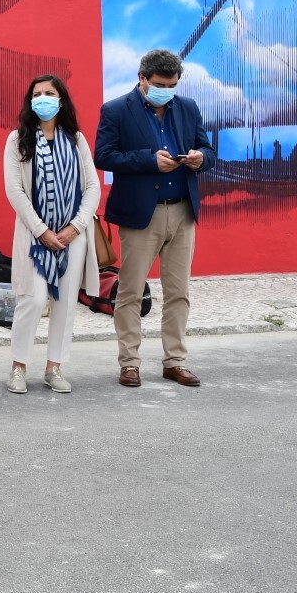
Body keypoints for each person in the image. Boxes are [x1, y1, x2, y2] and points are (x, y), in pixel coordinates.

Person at [94, 48, 215, 389]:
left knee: (179, 292)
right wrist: (150, 161)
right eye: (160, 84)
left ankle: (174, 362)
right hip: (140, 215)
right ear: (142, 78)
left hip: (182, 211)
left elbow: (209, 152)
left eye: (173, 84)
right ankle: (130, 364)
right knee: (130, 292)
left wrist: (197, 159)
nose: (167, 89)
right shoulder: (116, 109)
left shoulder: (188, 108)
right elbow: (103, 156)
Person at [2, 74, 100, 395]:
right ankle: (18, 366)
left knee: (66, 302)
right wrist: (42, 230)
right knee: (34, 298)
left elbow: (92, 187)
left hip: (73, 237)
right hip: (34, 236)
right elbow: (15, 191)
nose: (42, 98)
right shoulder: (18, 140)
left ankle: (54, 367)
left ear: (61, 100)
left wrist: (76, 227)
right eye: (37, 94)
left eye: (49, 93)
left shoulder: (76, 140)